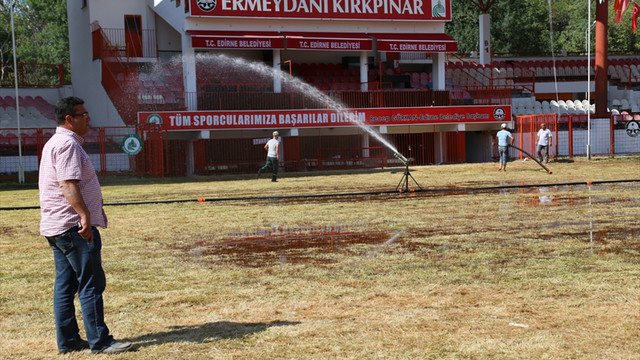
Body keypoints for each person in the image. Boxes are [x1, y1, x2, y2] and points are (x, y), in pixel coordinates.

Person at [39, 97, 132, 355]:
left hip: (57, 227)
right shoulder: (68, 144)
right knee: (91, 283)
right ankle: (100, 342)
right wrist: (84, 216)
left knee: (66, 285)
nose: (88, 118)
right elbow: (68, 184)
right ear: (70, 119)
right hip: (73, 227)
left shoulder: (54, 142)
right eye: (83, 114)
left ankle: (68, 341)